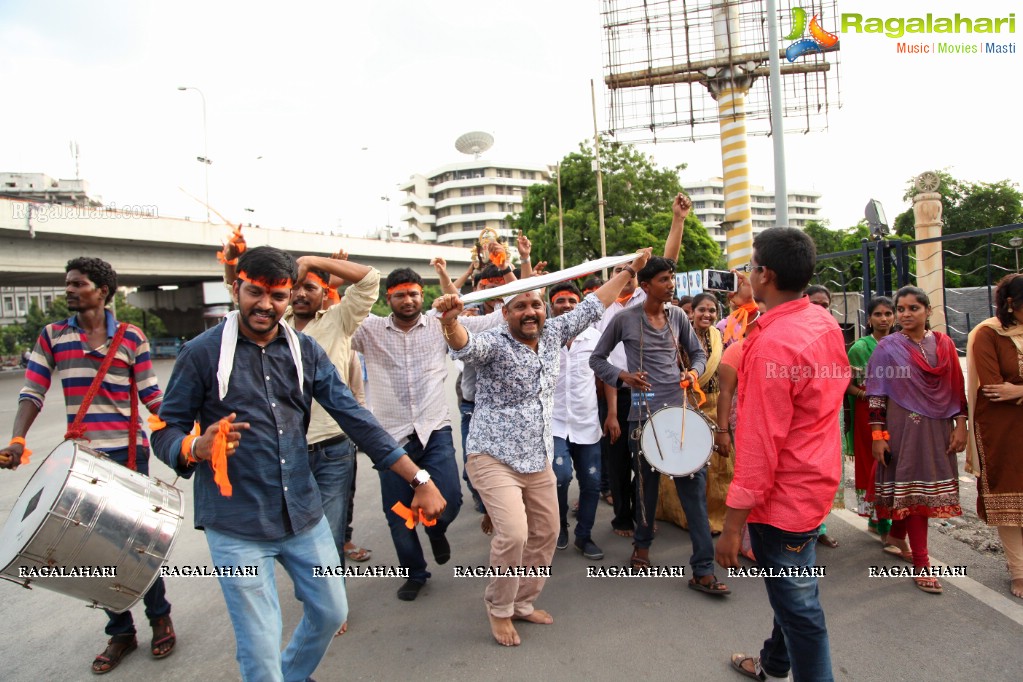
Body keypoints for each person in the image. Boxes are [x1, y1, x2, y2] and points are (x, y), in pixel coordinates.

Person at [151, 246, 445, 681]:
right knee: (260, 644)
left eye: (278, 295)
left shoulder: (305, 351)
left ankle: (292, 674)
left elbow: (356, 418)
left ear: (290, 297)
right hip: (236, 523)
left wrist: (419, 477)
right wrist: (195, 447)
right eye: (255, 292)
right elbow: (163, 430)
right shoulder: (200, 352)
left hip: (302, 514)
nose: (265, 305)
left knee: (330, 611)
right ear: (237, 288)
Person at [433, 247, 651, 647]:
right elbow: (465, 345)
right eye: (520, 306)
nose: (530, 311)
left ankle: (522, 602)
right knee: (513, 534)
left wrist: (629, 271)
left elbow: (593, 304)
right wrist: (449, 323)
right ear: (505, 313)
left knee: (547, 532)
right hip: (492, 455)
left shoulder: (553, 333)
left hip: (537, 458)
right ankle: (498, 609)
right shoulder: (494, 343)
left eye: (536, 303)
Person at [0, 257, 177, 675]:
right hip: (80, 459)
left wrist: (188, 436)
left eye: (77, 284)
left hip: (129, 455)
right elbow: (32, 392)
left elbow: (153, 397)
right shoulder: (52, 336)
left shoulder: (132, 337)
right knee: (85, 547)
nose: (69, 290)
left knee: (138, 544)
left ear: (102, 290)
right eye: (68, 284)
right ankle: (120, 631)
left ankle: (159, 617)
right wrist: (17, 440)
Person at [715, 227, 847, 682]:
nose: (748, 275)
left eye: (751, 266)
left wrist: (732, 528)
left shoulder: (777, 341)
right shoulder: (820, 322)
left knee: (801, 610)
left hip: (782, 499)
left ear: (765, 274)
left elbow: (759, 445)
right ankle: (772, 664)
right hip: (814, 481)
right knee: (793, 591)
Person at [352, 266, 507, 600]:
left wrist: (509, 288)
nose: (408, 300)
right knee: (398, 515)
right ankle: (416, 573)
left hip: (434, 429)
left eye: (413, 294)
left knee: (450, 499)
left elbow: (495, 321)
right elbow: (330, 323)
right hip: (390, 438)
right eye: (400, 295)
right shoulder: (368, 330)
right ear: (387, 297)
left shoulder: (442, 325)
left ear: (423, 296)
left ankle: (437, 527)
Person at [591, 256, 729, 596]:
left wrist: (693, 373)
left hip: (679, 415)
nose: (671, 285)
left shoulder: (679, 316)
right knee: (645, 489)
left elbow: (696, 355)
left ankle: (702, 569)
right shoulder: (624, 319)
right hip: (641, 416)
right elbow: (596, 359)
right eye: (666, 279)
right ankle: (642, 548)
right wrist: (622, 376)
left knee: (693, 493)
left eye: (673, 279)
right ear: (647, 284)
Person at [596, 192, 691, 538]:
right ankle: (624, 518)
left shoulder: (649, 300)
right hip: (614, 390)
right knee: (619, 460)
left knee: (651, 457)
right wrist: (609, 408)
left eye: (634, 271)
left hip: (650, 392)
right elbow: (600, 360)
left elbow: (668, 262)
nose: (630, 275)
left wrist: (677, 220)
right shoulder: (603, 308)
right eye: (622, 271)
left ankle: (646, 524)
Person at [866, 285, 967, 595]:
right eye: (902, 309)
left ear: (928, 311)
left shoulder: (945, 344)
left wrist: (960, 424)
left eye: (913, 308)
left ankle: (897, 535)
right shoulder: (888, 347)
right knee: (912, 491)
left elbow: (955, 388)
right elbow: (876, 395)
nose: (906, 314)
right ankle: (922, 564)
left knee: (918, 488)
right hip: (901, 428)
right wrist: (878, 436)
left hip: (938, 427)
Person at [967, 273, 1023, 599]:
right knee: (1010, 499)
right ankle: (1018, 571)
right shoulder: (988, 334)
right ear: (1011, 303)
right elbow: (993, 387)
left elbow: (1009, 388)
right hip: (1002, 430)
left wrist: (1017, 388)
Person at [656, 292, 728, 533]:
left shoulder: (719, 338)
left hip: (716, 405)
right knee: (688, 461)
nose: (707, 315)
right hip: (687, 404)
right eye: (702, 310)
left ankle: (717, 517)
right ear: (692, 313)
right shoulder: (679, 337)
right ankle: (685, 515)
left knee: (719, 464)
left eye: (712, 311)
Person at [547, 282, 605, 560]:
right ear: (551, 305)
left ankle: (585, 536)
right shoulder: (543, 338)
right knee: (560, 477)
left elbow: (608, 378)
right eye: (561, 300)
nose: (567, 305)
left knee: (592, 483)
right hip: (554, 423)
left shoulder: (595, 338)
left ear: (580, 305)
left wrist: (613, 416)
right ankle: (559, 526)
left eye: (573, 300)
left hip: (587, 422)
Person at [844, 296, 895, 544]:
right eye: (878, 314)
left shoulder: (902, 343)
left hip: (897, 413)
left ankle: (886, 517)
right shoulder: (859, 348)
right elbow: (848, 386)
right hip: (868, 415)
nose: (884, 319)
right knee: (874, 464)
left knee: (895, 463)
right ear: (869, 319)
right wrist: (869, 394)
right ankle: (881, 520)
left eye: (888, 313)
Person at [805, 284, 842, 549]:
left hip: (829, 411)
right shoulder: (796, 332)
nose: (821, 309)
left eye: (825, 305)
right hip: (804, 416)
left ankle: (821, 526)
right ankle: (805, 527)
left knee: (826, 472)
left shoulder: (834, 333)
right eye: (815, 304)